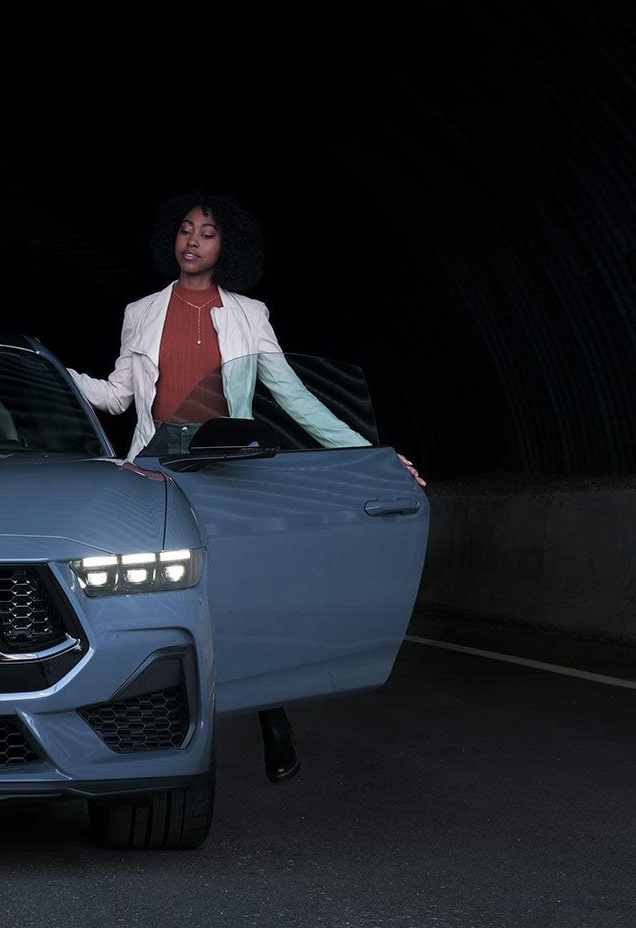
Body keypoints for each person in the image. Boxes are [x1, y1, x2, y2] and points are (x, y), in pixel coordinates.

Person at [66, 189, 425, 785]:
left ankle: (271, 714)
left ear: (227, 248)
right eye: (185, 229)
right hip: (156, 473)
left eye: (207, 233)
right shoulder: (141, 310)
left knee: (239, 599)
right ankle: (143, 728)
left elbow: (294, 398)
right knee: (157, 601)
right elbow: (117, 396)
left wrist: (372, 456)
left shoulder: (250, 314)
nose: (192, 241)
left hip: (229, 472)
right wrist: (56, 374)